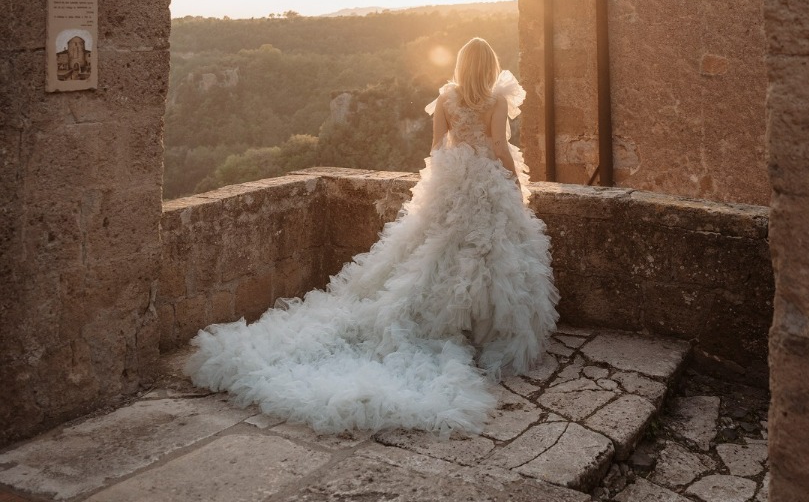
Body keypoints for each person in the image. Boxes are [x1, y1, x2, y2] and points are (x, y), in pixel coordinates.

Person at [185, 37, 558, 435]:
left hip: (451, 182)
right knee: (486, 256)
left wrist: (441, 183)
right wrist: (515, 184)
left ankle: (431, 323)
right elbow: (500, 145)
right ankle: (477, 331)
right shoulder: (496, 100)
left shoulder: (447, 97)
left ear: (463, 65)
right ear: (489, 66)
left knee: (429, 253)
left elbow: (436, 148)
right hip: (485, 181)